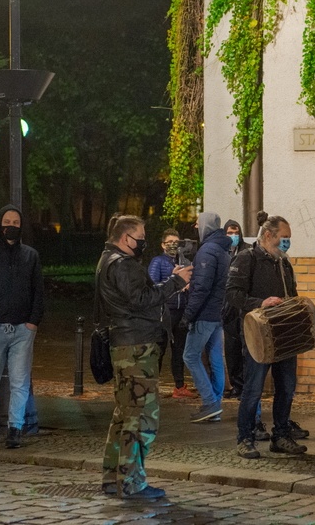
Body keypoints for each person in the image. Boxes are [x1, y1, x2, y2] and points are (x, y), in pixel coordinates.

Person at [96, 215, 193, 499]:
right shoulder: (123, 265)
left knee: (124, 414)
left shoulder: (107, 260)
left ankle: (113, 477)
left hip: (125, 343)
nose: (143, 243)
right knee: (141, 417)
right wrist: (175, 282)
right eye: (140, 237)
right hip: (137, 346)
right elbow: (141, 300)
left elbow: (139, 296)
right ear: (126, 238)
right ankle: (131, 481)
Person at [228, 211, 307, 459]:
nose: (287, 242)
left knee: (286, 387)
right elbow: (232, 295)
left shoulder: (283, 263)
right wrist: (260, 302)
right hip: (258, 337)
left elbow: (291, 294)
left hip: (284, 336)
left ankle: (281, 436)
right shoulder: (246, 259)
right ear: (269, 235)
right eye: (284, 237)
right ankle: (245, 438)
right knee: (253, 389)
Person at [0, 204, 44, 450]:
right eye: (7, 222)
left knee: (20, 382)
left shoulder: (30, 256)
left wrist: (33, 322)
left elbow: (38, 292)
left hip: (22, 330)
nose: (11, 226)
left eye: (15, 223)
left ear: (21, 226)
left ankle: (15, 427)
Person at [182, 212, 231, 423]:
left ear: (205, 226)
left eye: (198, 222)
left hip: (205, 314)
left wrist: (188, 315)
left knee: (190, 356)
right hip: (218, 313)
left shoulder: (207, 251)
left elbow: (201, 288)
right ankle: (215, 405)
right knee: (216, 357)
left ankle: (210, 403)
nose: (195, 226)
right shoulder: (222, 250)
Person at [148, 228, 194, 399]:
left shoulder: (185, 261)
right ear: (162, 245)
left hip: (181, 311)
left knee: (179, 351)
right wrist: (173, 280)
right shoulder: (157, 262)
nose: (174, 246)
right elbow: (153, 285)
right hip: (164, 312)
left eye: (177, 242)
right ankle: (152, 386)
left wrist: (188, 285)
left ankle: (180, 386)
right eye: (170, 243)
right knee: (159, 349)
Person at [221, 219, 250, 400]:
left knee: (246, 347)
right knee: (231, 349)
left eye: (236, 232)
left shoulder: (247, 251)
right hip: (228, 307)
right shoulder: (222, 252)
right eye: (230, 233)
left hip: (243, 305)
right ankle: (236, 385)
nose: (233, 236)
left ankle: (248, 385)